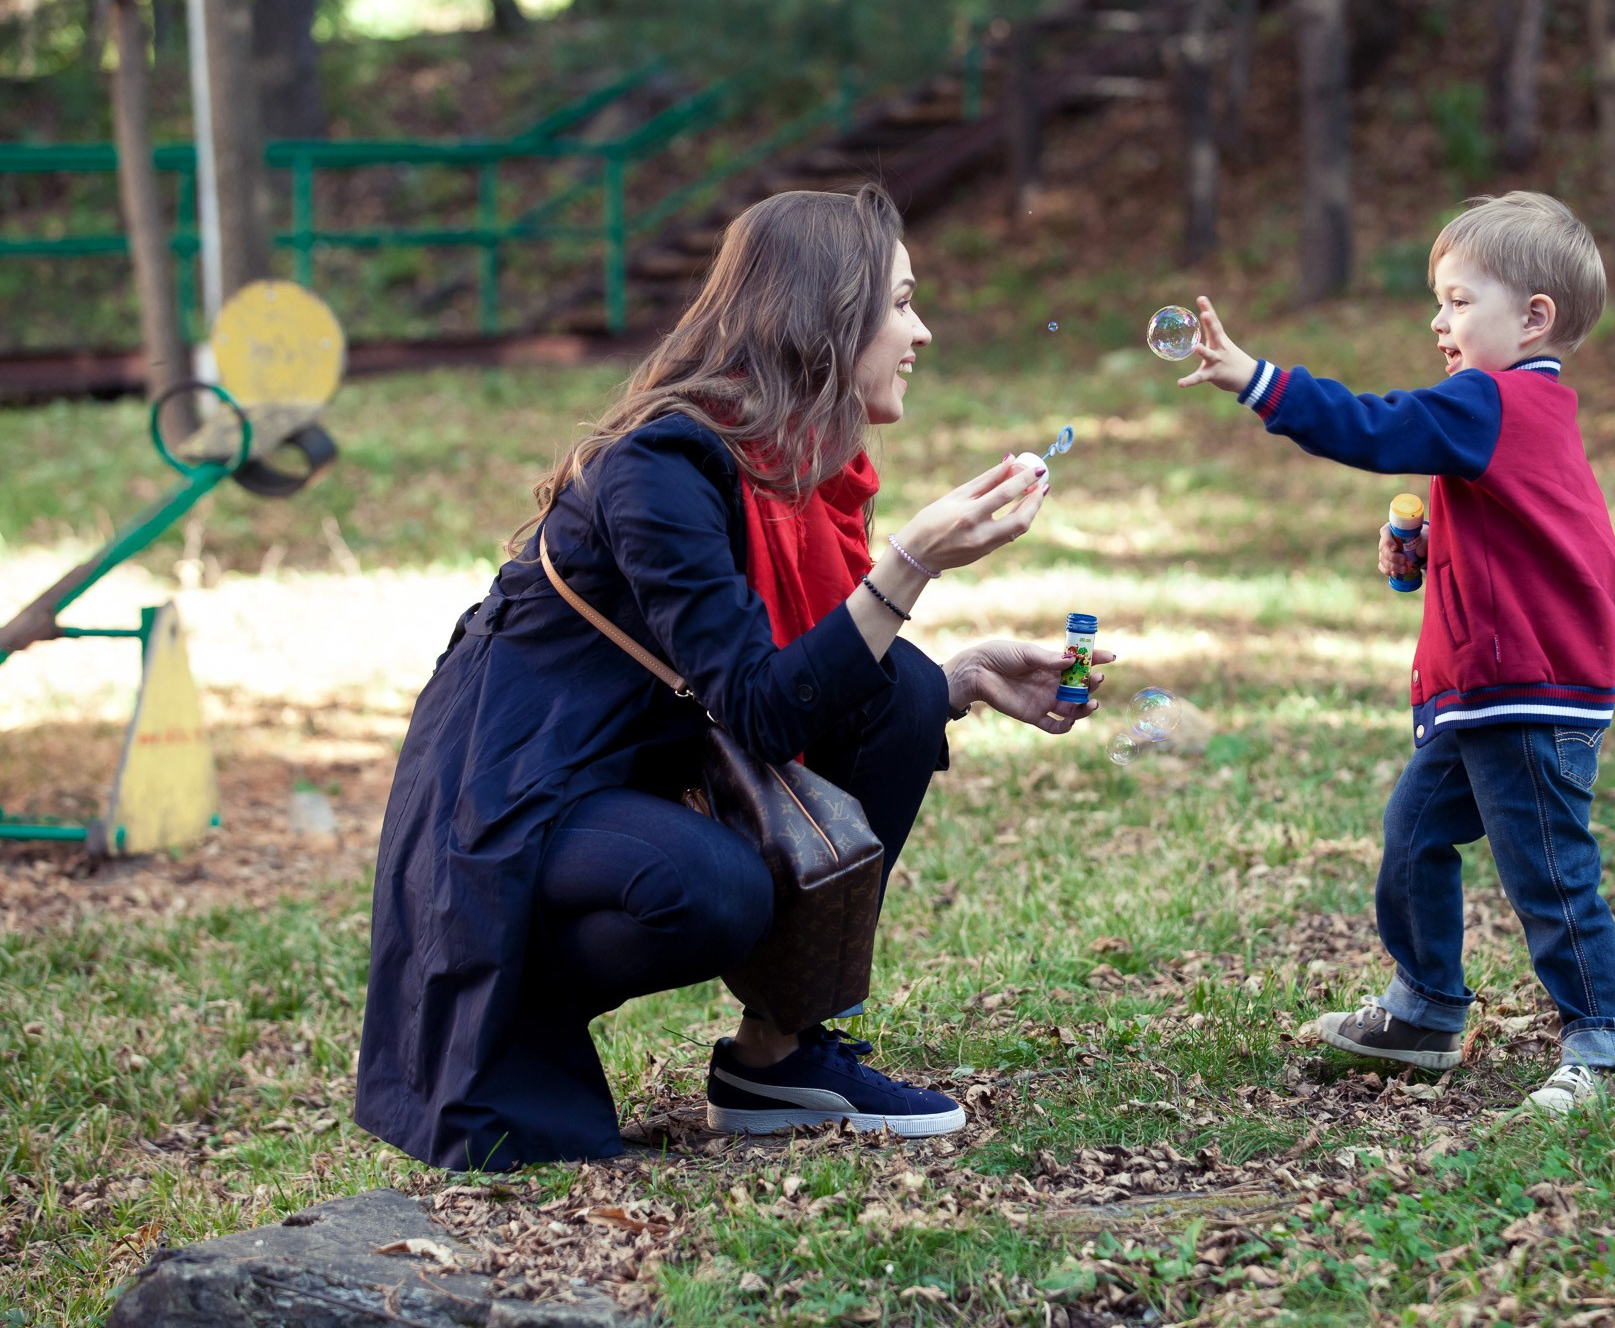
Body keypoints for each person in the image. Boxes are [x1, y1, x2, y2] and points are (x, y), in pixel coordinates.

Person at [355, 184, 1106, 1170]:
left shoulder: (798, 471)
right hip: (521, 784)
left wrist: (961, 678)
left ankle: (778, 1059)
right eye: (901, 302)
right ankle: (516, 1000)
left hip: (640, 756)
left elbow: (800, 677)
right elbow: (758, 703)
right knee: (712, 887)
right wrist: (910, 566)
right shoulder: (661, 467)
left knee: (909, 689)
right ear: (827, 319)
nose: (919, 332)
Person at [1176, 191, 1615, 1113]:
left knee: (1550, 871)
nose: (1440, 321)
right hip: (1488, 694)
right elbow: (1531, 537)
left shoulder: (1495, 399)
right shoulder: (1514, 412)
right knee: (1414, 835)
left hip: (1529, 694)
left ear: (1534, 315)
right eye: (1441, 301)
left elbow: (1377, 426)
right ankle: (1427, 1009)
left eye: (1460, 301)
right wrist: (1429, 551)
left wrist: (1255, 378)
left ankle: (1607, 1045)